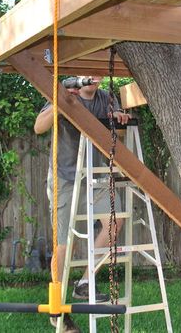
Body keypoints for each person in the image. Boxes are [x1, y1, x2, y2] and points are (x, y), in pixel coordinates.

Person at [34, 76, 130, 332]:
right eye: (88, 73)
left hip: (95, 175)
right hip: (65, 177)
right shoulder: (64, 91)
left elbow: (115, 134)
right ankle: (57, 309)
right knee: (65, 243)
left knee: (115, 221)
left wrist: (119, 118)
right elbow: (39, 127)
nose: (93, 78)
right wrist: (61, 103)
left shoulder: (107, 98)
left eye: (96, 74)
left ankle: (85, 283)